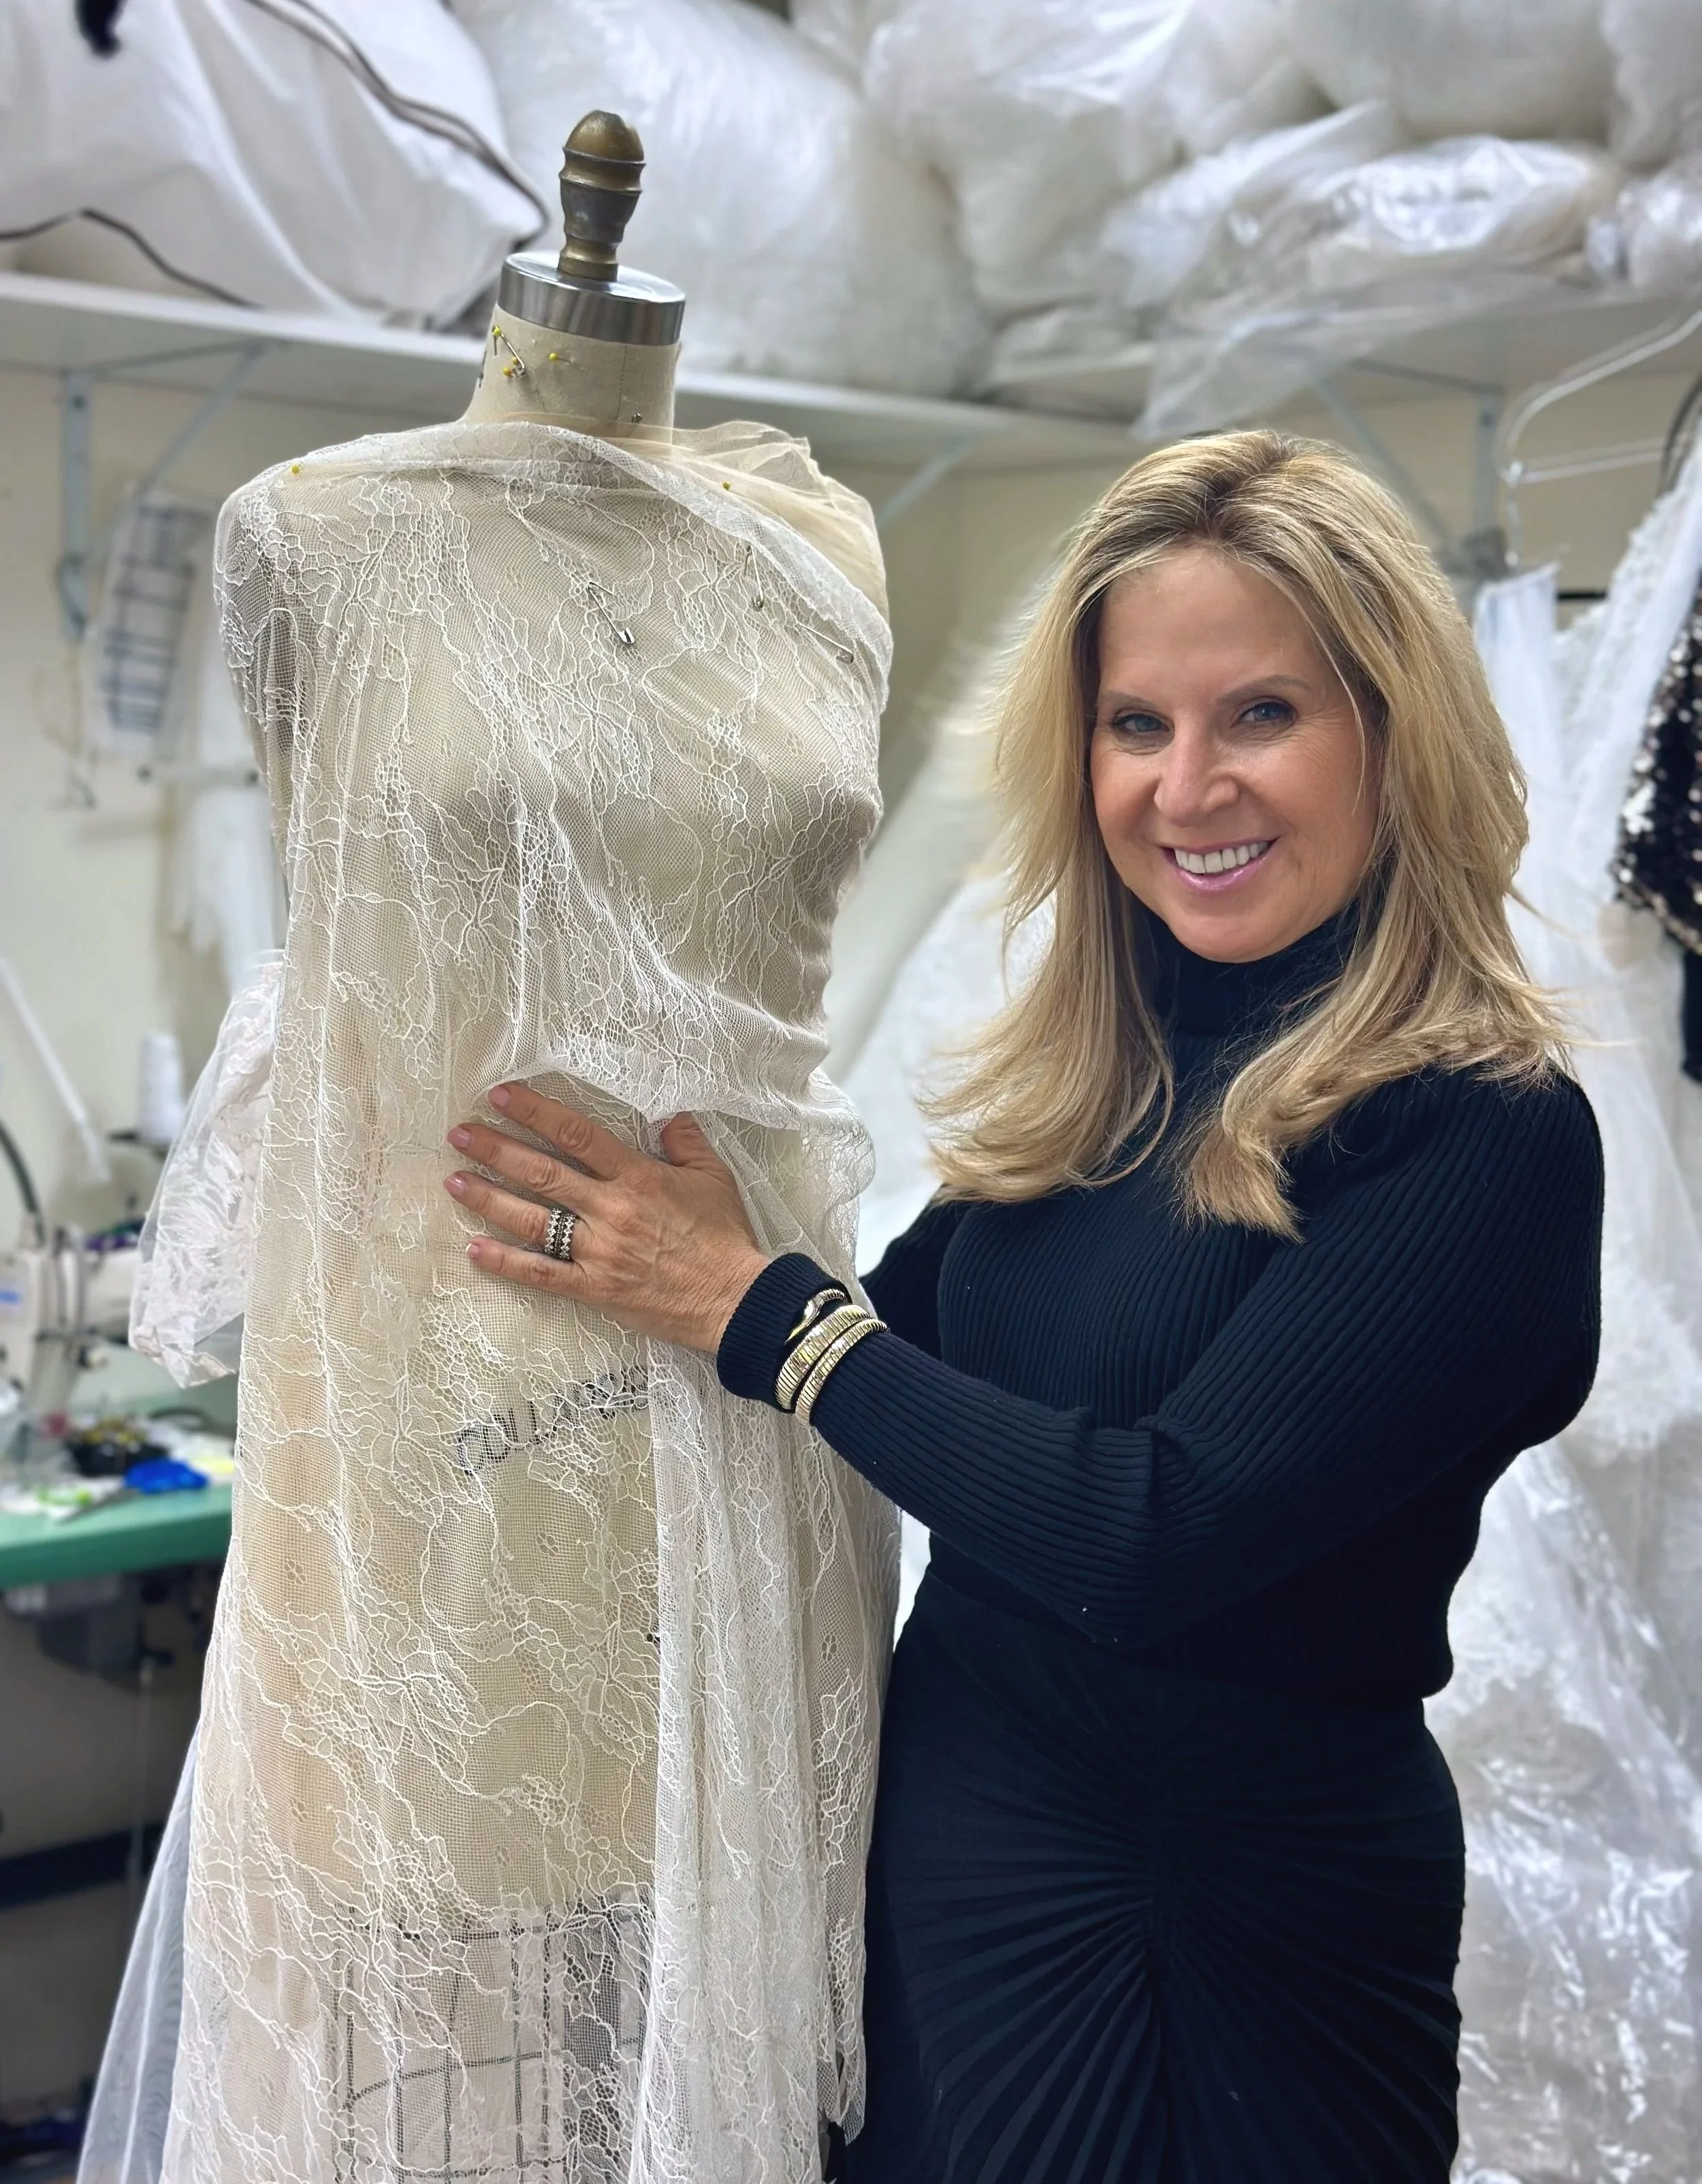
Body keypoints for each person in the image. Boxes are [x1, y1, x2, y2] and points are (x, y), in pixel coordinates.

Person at [443, 430, 1604, 2181]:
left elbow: (1145, 1528)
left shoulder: (1479, 1129)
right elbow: (889, 1374)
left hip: (1225, 1919)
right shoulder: (1096, 1091)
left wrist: (759, 1307)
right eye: (1135, 723)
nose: (1185, 786)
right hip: (954, 1853)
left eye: (1260, 715)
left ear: (1393, 732)